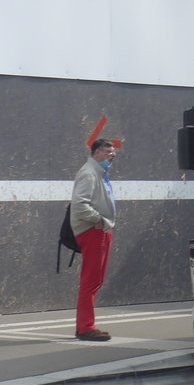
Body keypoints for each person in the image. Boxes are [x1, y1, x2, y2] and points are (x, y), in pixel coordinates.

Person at [70, 139, 118, 341]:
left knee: (95, 279)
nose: (112, 155)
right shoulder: (89, 173)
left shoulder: (97, 173)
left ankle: (86, 325)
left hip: (100, 229)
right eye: (108, 152)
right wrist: (99, 220)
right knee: (91, 280)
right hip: (93, 231)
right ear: (97, 152)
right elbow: (80, 205)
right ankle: (85, 327)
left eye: (113, 152)